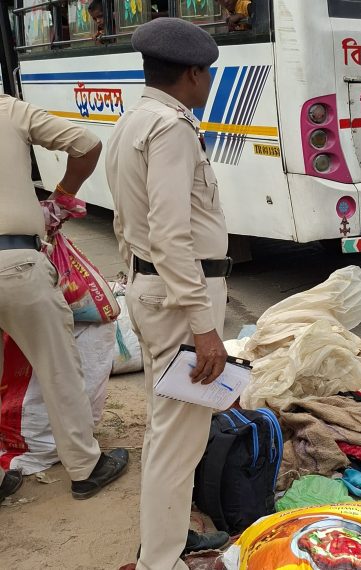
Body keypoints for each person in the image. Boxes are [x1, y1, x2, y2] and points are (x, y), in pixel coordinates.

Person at [106, 18, 232, 569]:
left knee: (166, 433)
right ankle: (162, 560)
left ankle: (166, 543)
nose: (210, 86)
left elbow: (128, 222)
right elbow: (171, 233)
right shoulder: (172, 127)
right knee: (180, 442)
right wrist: (204, 328)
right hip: (183, 297)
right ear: (192, 74)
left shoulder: (133, 119)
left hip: (155, 289)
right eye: (209, 75)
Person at [0, 94, 129, 500]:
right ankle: (85, 467)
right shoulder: (8, 109)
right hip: (14, 263)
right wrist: (59, 198)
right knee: (59, 368)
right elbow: (86, 143)